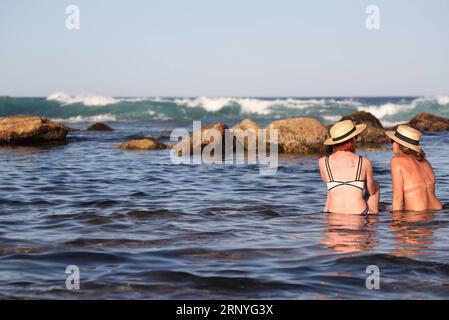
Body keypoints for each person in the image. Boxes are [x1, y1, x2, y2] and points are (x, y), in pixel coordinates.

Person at [319, 120, 379, 215]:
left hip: (332, 212)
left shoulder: (323, 162)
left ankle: (326, 209)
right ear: (353, 140)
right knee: (375, 185)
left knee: (331, 187)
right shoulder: (364, 162)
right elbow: (371, 191)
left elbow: (327, 183)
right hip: (359, 212)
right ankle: (372, 222)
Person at [386, 125, 442, 211]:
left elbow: (398, 198)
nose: (391, 145)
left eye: (392, 141)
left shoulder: (396, 161)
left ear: (398, 144)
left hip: (417, 214)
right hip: (436, 211)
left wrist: (395, 222)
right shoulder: (426, 163)